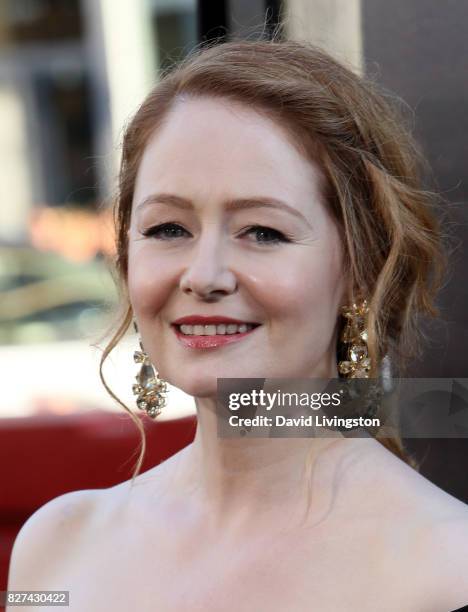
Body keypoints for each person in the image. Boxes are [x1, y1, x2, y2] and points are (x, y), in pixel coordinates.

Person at [7, 39, 468, 611]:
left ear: (359, 269)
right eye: (168, 229)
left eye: (263, 232)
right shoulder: (53, 550)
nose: (204, 276)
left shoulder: (447, 570)